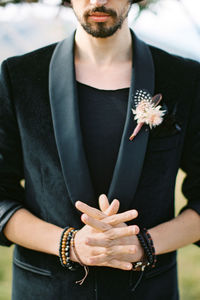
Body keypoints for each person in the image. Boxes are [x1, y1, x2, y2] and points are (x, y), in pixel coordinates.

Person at [0, 0, 199, 299]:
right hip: (44, 291)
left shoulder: (184, 78)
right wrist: (67, 244)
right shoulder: (18, 76)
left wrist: (145, 244)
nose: (98, 1)